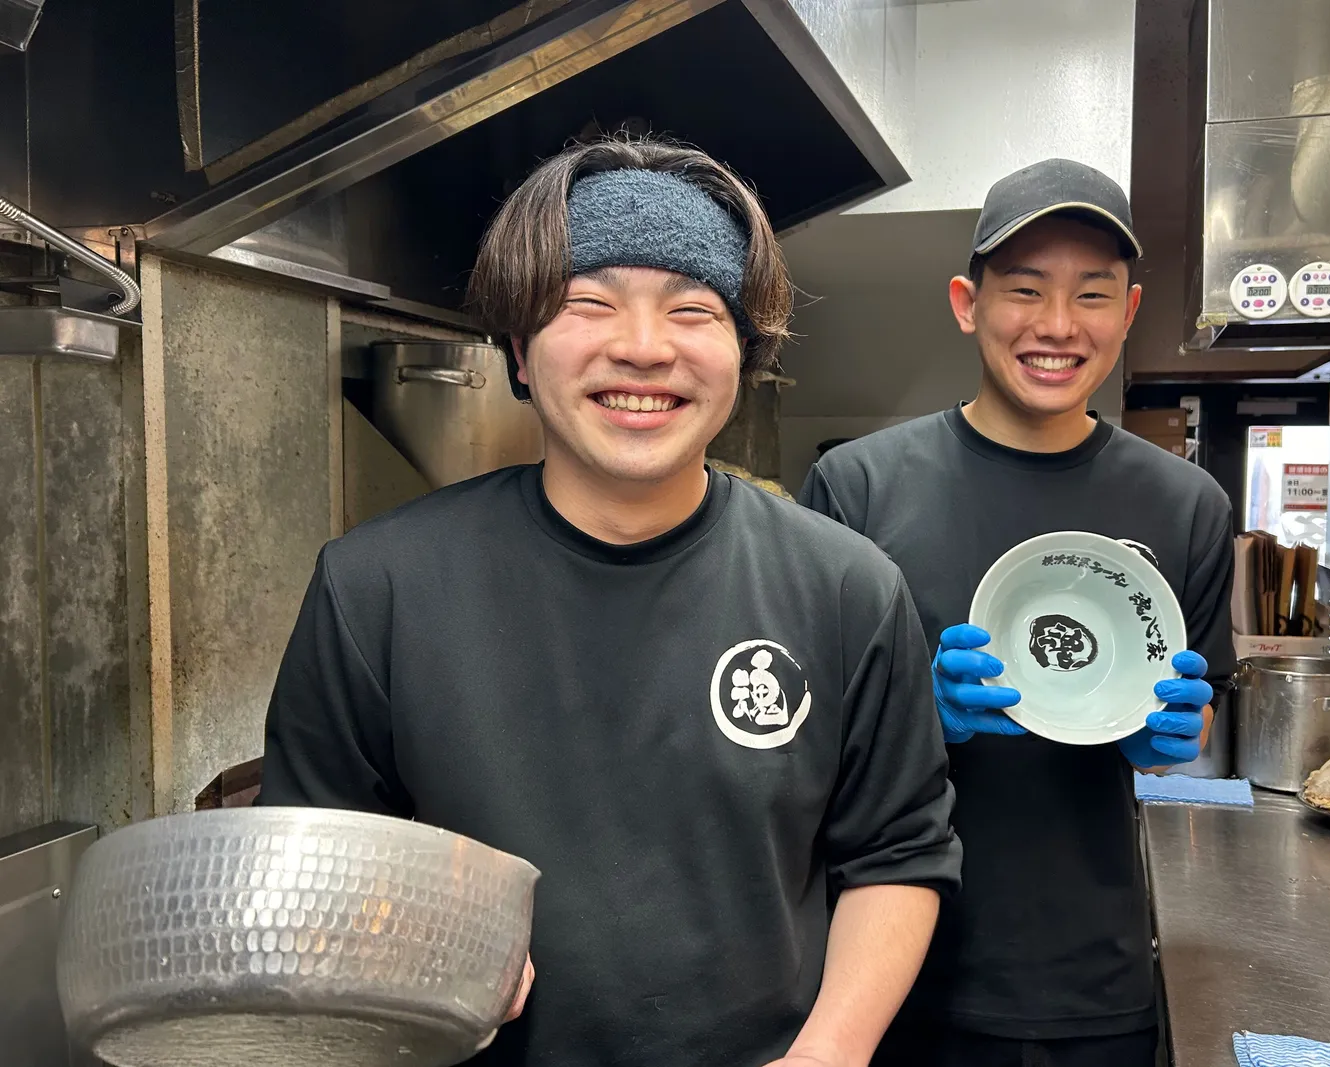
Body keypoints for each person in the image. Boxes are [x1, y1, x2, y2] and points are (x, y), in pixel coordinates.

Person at [257, 136, 961, 1067]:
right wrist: (407, 946)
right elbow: (315, 869)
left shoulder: (846, 587)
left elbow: (899, 854)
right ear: (518, 345)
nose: (642, 348)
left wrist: (826, 1053)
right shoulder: (375, 587)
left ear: (743, 352)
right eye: (589, 304)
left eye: (693, 310)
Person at [799, 158, 1234, 1067]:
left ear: (1129, 312)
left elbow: (1196, 708)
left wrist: (1171, 731)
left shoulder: (1187, 505)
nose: (1057, 326)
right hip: (894, 978)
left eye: (1093, 295)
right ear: (967, 302)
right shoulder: (860, 486)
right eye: (1025, 290)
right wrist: (916, 714)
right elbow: (802, 747)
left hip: (1097, 977)